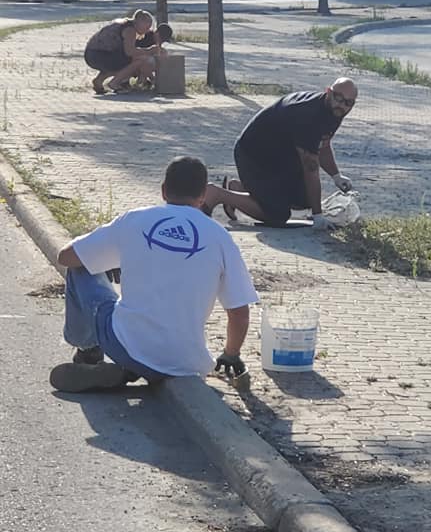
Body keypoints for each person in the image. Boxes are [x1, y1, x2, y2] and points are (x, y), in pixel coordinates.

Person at [49, 156, 258, 393]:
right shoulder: (220, 237)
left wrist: (107, 259)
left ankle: (89, 353)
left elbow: (66, 257)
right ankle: (134, 370)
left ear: (163, 191)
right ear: (203, 197)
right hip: (187, 364)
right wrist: (231, 355)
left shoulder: (135, 219)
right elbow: (240, 313)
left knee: (81, 268)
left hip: (124, 344)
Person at [202, 77, 358, 230]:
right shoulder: (308, 116)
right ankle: (217, 194)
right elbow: (310, 168)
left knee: (304, 200)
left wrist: (336, 176)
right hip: (253, 154)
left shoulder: (334, 111)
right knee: (277, 215)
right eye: (339, 98)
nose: (342, 104)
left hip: (279, 158)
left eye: (348, 102)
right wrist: (318, 216)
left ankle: (240, 188)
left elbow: (323, 144)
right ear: (328, 92)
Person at [84, 9, 160, 95]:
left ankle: (98, 81)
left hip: (91, 55)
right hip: (100, 55)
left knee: (121, 62)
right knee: (139, 61)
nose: (147, 31)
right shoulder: (130, 30)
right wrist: (149, 51)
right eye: (146, 27)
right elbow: (130, 52)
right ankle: (115, 83)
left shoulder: (124, 23)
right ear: (139, 22)